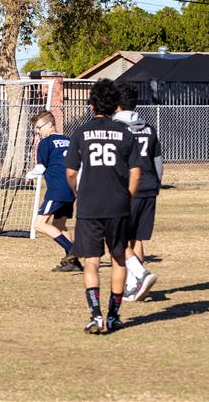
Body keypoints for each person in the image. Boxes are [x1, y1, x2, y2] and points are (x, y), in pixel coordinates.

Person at [64, 79, 142, 334]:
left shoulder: (80, 133)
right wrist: (126, 196)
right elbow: (136, 172)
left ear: (91, 104)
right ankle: (114, 316)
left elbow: (71, 172)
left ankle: (96, 316)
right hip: (118, 204)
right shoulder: (125, 134)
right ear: (116, 105)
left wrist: (79, 193)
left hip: (90, 205)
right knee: (119, 259)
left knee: (92, 261)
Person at [114, 83, 161, 301]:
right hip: (150, 186)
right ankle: (139, 288)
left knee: (119, 239)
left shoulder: (117, 129)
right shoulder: (149, 128)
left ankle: (139, 278)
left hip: (128, 188)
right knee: (137, 239)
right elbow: (157, 161)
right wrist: (157, 183)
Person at [25, 110, 83, 273]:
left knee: (39, 224)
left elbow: (41, 168)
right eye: (35, 129)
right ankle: (73, 263)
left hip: (57, 190)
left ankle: (72, 250)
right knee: (60, 225)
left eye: (39, 127)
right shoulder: (69, 140)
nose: (37, 131)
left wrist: (29, 175)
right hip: (71, 189)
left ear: (50, 125)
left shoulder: (46, 142)